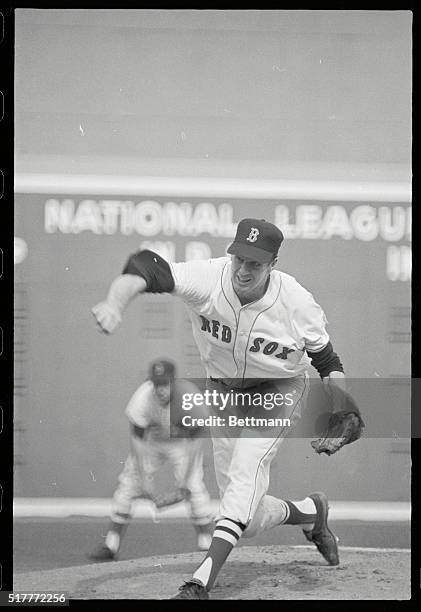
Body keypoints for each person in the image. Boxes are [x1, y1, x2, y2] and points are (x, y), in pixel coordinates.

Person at [92, 218, 346, 599]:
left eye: (255, 263)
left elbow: (329, 364)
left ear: (272, 265)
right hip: (224, 394)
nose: (243, 270)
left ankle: (200, 582)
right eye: (239, 258)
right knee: (248, 515)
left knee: (244, 476)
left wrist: (339, 409)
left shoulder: (296, 303)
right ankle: (310, 512)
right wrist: (115, 301)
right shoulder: (209, 279)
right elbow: (144, 266)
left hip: (277, 392)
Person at [87, 359, 214, 562]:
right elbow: (137, 441)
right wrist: (144, 478)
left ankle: (206, 544)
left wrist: (184, 481)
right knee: (129, 484)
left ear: (174, 382)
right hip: (152, 444)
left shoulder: (189, 397)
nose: (160, 389)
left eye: (164, 383)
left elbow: (195, 442)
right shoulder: (143, 397)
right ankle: (110, 545)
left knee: (194, 486)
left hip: (182, 444)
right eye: (156, 384)